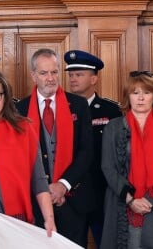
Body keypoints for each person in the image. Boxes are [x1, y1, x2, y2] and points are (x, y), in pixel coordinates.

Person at [15, 48, 94, 248]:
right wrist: (42, 190)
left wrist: (63, 185)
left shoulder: (78, 104)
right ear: (33, 76)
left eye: (54, 72)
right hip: (35, 202)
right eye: (43, 73)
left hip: (72, 200)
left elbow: (86, 151)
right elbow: (17, 159)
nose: (50, 78)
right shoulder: (19, 110)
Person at [100, 70, 153, 249]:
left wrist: (151, 202)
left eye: (146, 92)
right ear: (127, 97)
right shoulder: (113, 127)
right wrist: (130, 199)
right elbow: (108, 167)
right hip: (122, 203)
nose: (141, 98)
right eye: (135, 93)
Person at [64, 49, 122, 248]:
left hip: (102, 191)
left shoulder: (112, 110)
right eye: (71, 75)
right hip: (71, 193)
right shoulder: (60, 110)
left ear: (94, 79)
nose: (73, 79)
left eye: (79, 75)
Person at [0, 68, 56, 236]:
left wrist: (49, 219)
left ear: (5, 97)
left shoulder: (23, 129)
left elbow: (39, 180)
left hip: (16, 223)